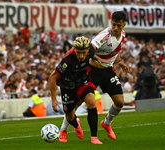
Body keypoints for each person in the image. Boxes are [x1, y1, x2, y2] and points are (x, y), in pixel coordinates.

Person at [59, 11, 130, 141]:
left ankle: (107, 123)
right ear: (111, 23)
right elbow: (90, 49)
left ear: (123, 25)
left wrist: (120, 62)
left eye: (118, 25)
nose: (115, 28)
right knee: (78, 102)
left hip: (108, 71)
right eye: (113, 24)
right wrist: (98, 59)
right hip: (92, 72)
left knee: (120, 102)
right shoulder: (105, 35)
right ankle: (63, 129)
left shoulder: (123, 35)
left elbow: (115, 50)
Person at [49, 36, 104, 144]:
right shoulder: (67, 60)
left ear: (88, 49)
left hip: (82, 81)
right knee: (70, 117)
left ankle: (94, 137)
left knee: (91, 102)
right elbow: (52, 77)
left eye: (83, 52)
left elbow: (92, 55)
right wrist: (54, 99)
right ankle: (76, 124)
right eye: (78, 52)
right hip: (67, 87)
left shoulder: (91, 50)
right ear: (74, 49)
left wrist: (98, 59)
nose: (81, 56)